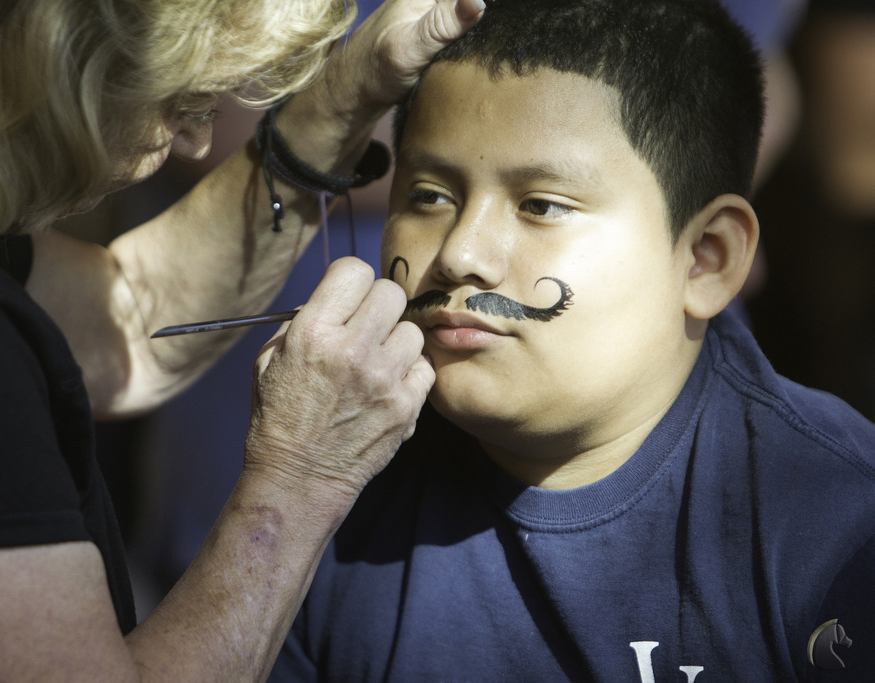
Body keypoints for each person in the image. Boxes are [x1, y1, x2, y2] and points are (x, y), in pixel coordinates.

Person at [0, 0, 487, 680]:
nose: (194, 144)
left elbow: (128, 317)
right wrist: (303, 472)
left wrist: (342, 100)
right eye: (185, 100)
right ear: (64, 56)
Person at [269, 0, 875, 680]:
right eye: (430, 196)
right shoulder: (328, 499)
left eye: (542, 205)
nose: (461, 253)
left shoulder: (836, 519)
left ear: (706, 258)